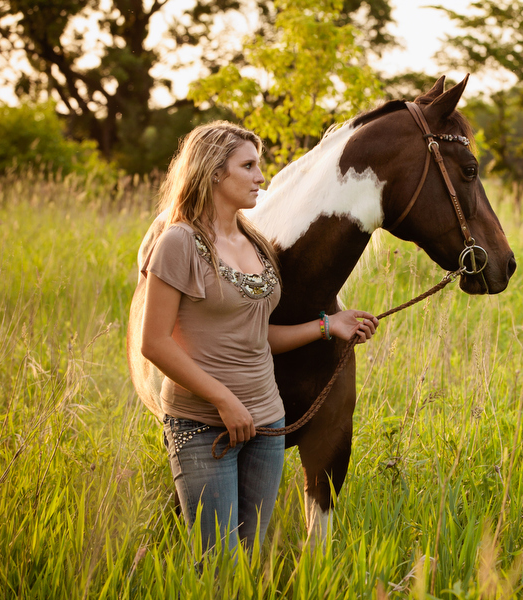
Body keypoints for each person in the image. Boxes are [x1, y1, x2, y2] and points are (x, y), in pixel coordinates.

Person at [139, 120, 378, 555]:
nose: (261, 177)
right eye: (248, 166)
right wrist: (224, 399)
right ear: (213, 173)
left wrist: (330, 327)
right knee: (217, 561)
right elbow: (154, 343)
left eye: (259, 165)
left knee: (249, 556)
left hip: (266, 422)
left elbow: (258, 337)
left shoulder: (256, 242)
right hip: (203, 423)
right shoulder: (179, 243)